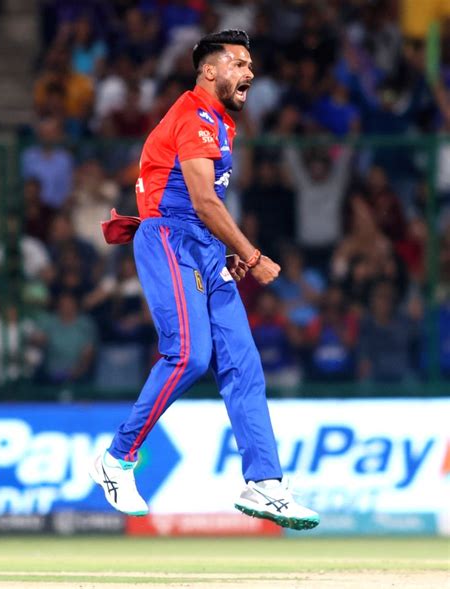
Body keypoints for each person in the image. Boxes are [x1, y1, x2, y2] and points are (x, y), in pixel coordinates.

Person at [90, 30, 319, 531]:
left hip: (202, 246)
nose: (250, 73)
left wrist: (224, 250)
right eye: (239, 64)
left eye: (251, 65)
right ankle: (117, 459)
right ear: (209, 71)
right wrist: (250, 253)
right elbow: (202, 201)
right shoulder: (193, 115)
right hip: (170, 237)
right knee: (189, 355)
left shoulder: (221, 124)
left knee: (243, 363)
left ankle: (265, 484)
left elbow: (209, 208)